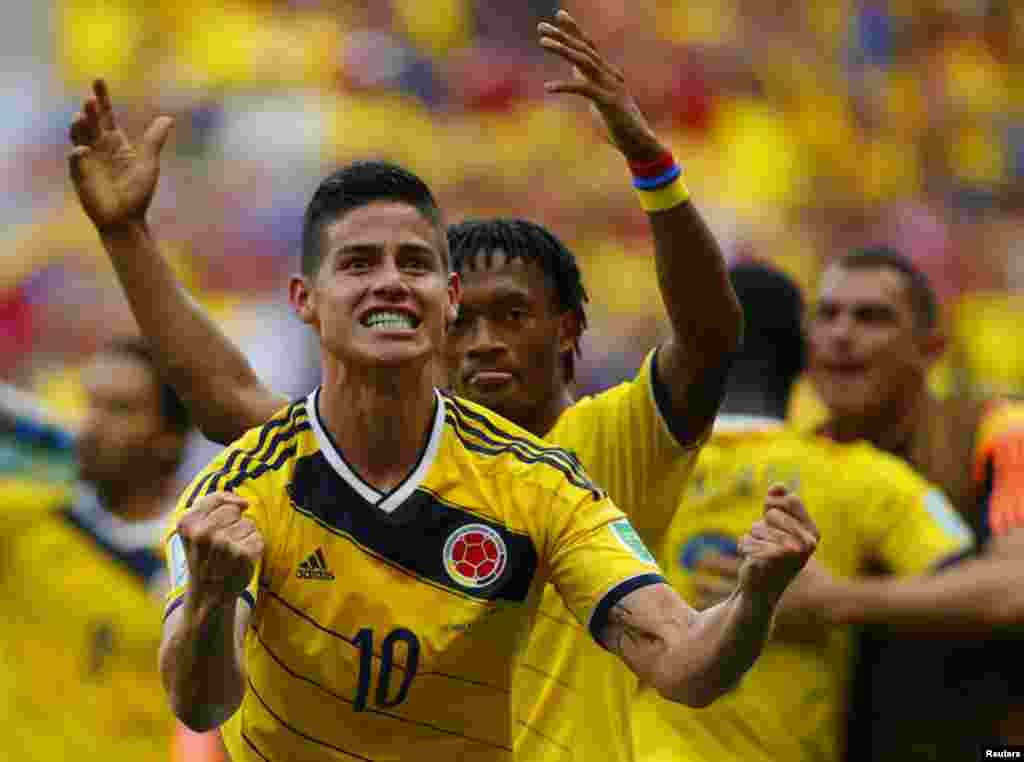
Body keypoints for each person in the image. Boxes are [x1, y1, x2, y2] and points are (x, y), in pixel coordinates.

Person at [68, 10, 756, 760]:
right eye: (362, 266)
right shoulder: (261, 480)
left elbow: (711, 340)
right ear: (307, 299)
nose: (485, 340)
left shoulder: (568, 468)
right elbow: (226, 402)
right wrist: (127, 237)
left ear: (565, 331)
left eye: (512, 315)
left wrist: (760, 597)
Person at [630, 263, 978, 762]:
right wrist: (835, 598)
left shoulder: (628, 465)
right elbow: (971, 584)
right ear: (803, 357)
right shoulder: (863, 474)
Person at [806, 246, 1024, 756]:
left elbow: (1016, 587)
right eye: (827, 314)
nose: (841, 334)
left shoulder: (1000, 436)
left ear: (930, 348)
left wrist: (835, 600)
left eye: (872, 317)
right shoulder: (796, 457)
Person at [0, 338, 192, 762]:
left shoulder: (203, 555)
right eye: (90, 405)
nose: (92, 424)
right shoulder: (20, 519)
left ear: (171, 438)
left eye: (120, 409)